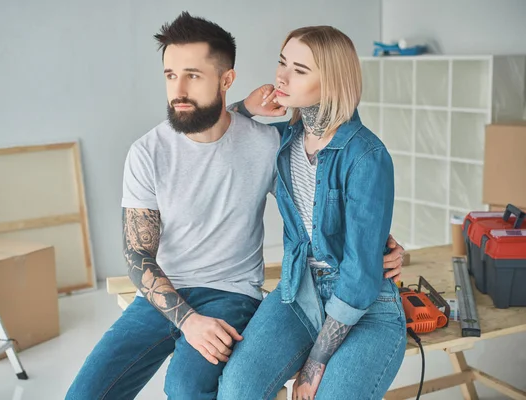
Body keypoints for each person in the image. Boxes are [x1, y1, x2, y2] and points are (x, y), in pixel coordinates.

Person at [65, 13, 404, 400]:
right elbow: (137, 251)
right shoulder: (153, 151)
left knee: (187, 389)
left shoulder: (271, 145)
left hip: (244, 292)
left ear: (225, 79)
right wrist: (241, 106)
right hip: (213, 290)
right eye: (170, 74)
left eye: (192, 75)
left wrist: (382, 244)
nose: (178, 88)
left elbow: (342, 203)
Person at [219, 26, 407, 400]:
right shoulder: (281, 142)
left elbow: (359, 274)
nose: (281, 76)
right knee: (237, 389)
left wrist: (315, 362)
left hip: (365, 306)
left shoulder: (367, 155)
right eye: (282, 62)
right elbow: (214, 134)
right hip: (297, 290)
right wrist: (245, 108)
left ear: (332, 81)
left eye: (300, 70)